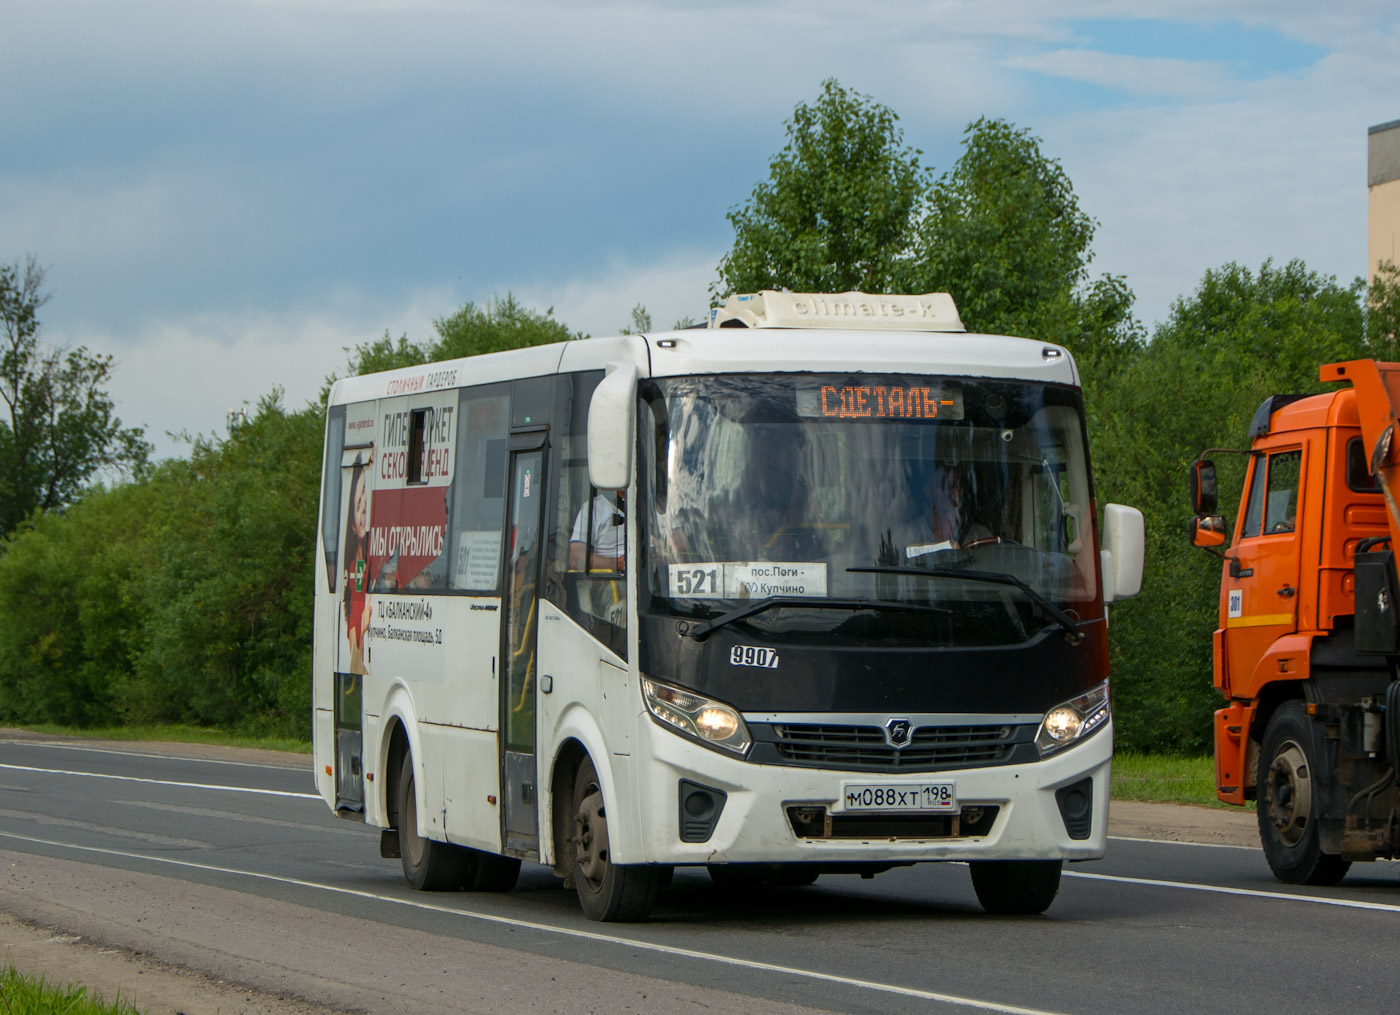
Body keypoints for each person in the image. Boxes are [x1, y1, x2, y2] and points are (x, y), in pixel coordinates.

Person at [342, 463, 373, 674]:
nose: (363, 510)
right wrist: (359, 630)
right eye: (357, 504)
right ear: (352, 523)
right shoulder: (351, 566)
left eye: (365, 500)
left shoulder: (377, 558)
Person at [570, 489, 625, 572]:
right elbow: (577, 559)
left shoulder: (647, 506)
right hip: (611, 581)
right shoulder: (594, 509)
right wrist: (619, 563)